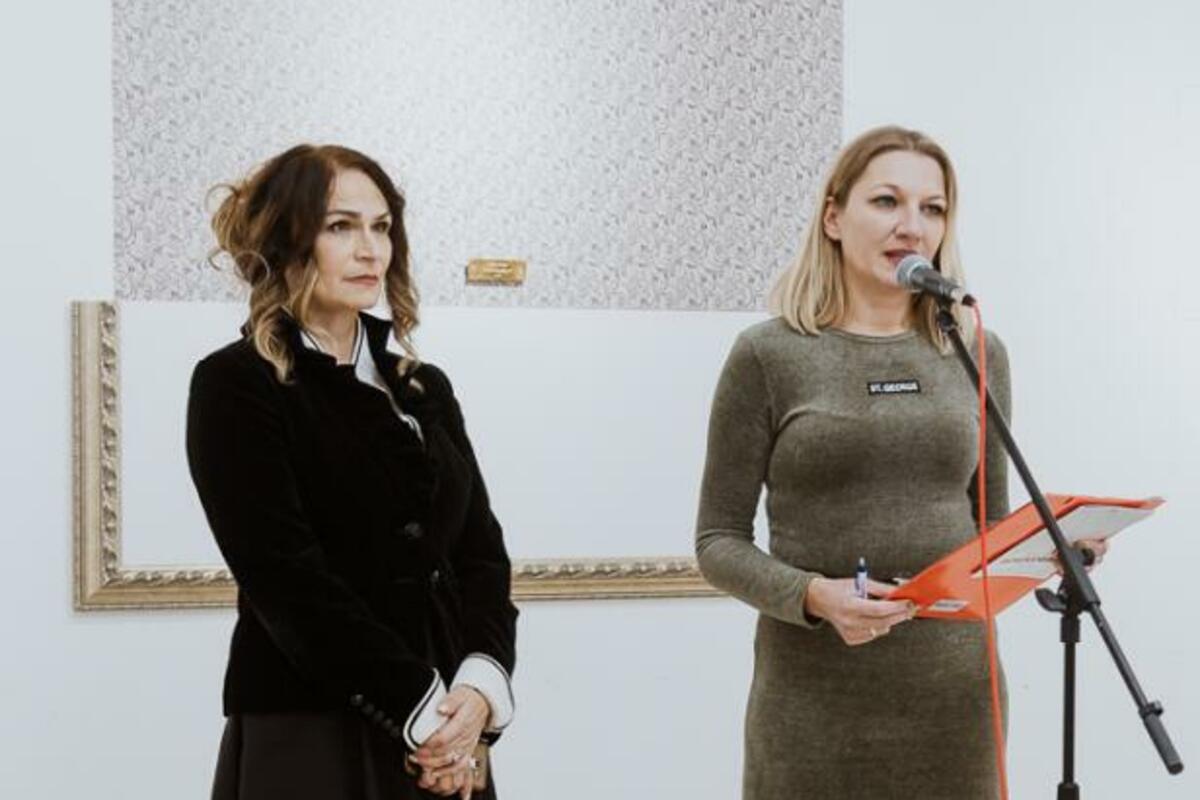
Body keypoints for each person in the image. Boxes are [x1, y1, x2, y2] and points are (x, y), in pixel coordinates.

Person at [694, 125, 1103, 798]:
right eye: (886, 201)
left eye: (932, 208)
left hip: (955, 701)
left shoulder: (978, 350)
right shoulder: (768, 355)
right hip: (812, 703)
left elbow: (989, 527)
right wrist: (813, 596)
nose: (912, 226)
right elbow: (717, 541)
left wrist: (1053, 545)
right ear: (833, 218)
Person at [186, 144, 518, 800]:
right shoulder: (235, 384)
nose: (370, 250)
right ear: (286, 239)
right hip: (311, 729)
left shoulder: (424, 387)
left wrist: (479, 690)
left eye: (381, 227)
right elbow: (286, 580)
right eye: (340, 226)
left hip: (449, 729)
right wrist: (423, 713)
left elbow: (480, 554)